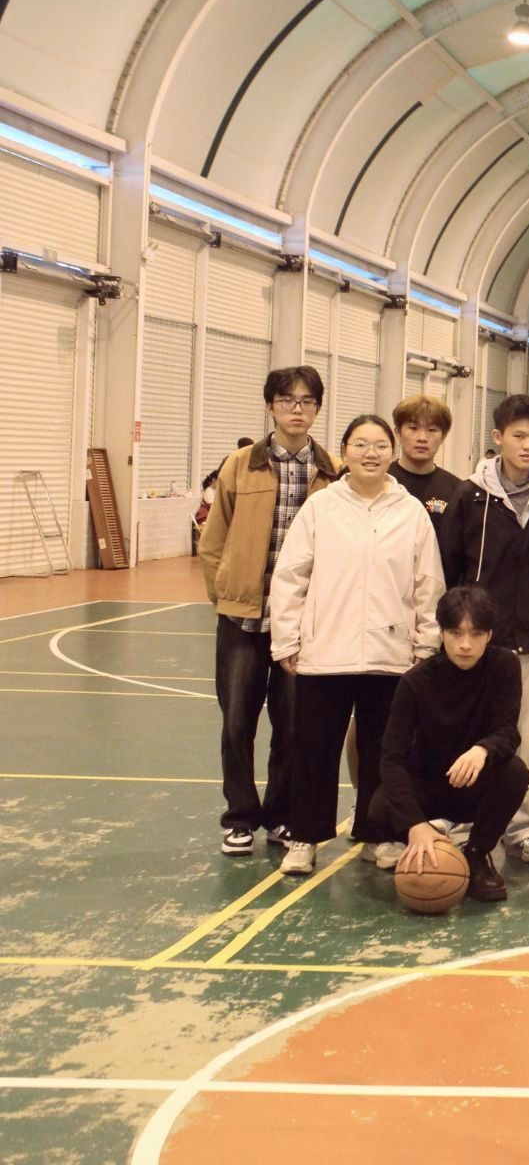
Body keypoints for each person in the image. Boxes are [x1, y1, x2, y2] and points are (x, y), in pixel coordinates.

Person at [270, 414, 444, 875]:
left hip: (391, 655)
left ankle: (378, 834)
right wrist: (286, 638)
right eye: (360, 444)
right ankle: (305, 837)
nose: (371, 453)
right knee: (314, 750)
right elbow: (290, 576)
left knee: (382, 753)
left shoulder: (410, 512)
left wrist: (426, 644)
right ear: (344, 451)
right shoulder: (321, 507)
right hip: (324, 652)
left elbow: (429, 583)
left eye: (380, 445)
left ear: (392, 452)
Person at [439, 394, 529, 866]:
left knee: (525, 736)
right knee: (473, 733)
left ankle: (523, 829)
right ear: (498, 437)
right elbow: (450, 566)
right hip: (479, 640)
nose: (527, 445)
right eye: (518, 436)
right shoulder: (470, 496)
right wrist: (456, 629)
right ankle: (465, 822)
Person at [200, 365, 339, 856]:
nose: (296, 409)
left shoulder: (332, 470)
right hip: (243, 619)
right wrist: (226, 594)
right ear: (270, 406)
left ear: (317, 408)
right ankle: (239, 817)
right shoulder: (240, 464)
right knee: (237, 722)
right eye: (286, 400)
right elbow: (213, 541)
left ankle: (281, 815)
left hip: (301, 624)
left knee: (293, 725)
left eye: (306, 401)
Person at [359, 586, 529, 903]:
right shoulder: (415, 681)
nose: (465, 644)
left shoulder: (504, 666)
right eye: (455, 633)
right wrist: (414, 824)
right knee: (379, 811)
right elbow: (391, 759)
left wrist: (482, 749)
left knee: (515, 773)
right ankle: (429, 841)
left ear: (490, 635)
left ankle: (477, 854)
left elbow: (508, 733)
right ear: (441, 633)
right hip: (427, 784)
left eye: (476, 634)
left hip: (473, 784)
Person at [390, 395, 461, 544]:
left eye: (432, 429)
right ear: (398, 433)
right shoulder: (381, 481)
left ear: (443, 436)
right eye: (413, 428)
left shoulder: (458, 491)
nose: (422, 437)